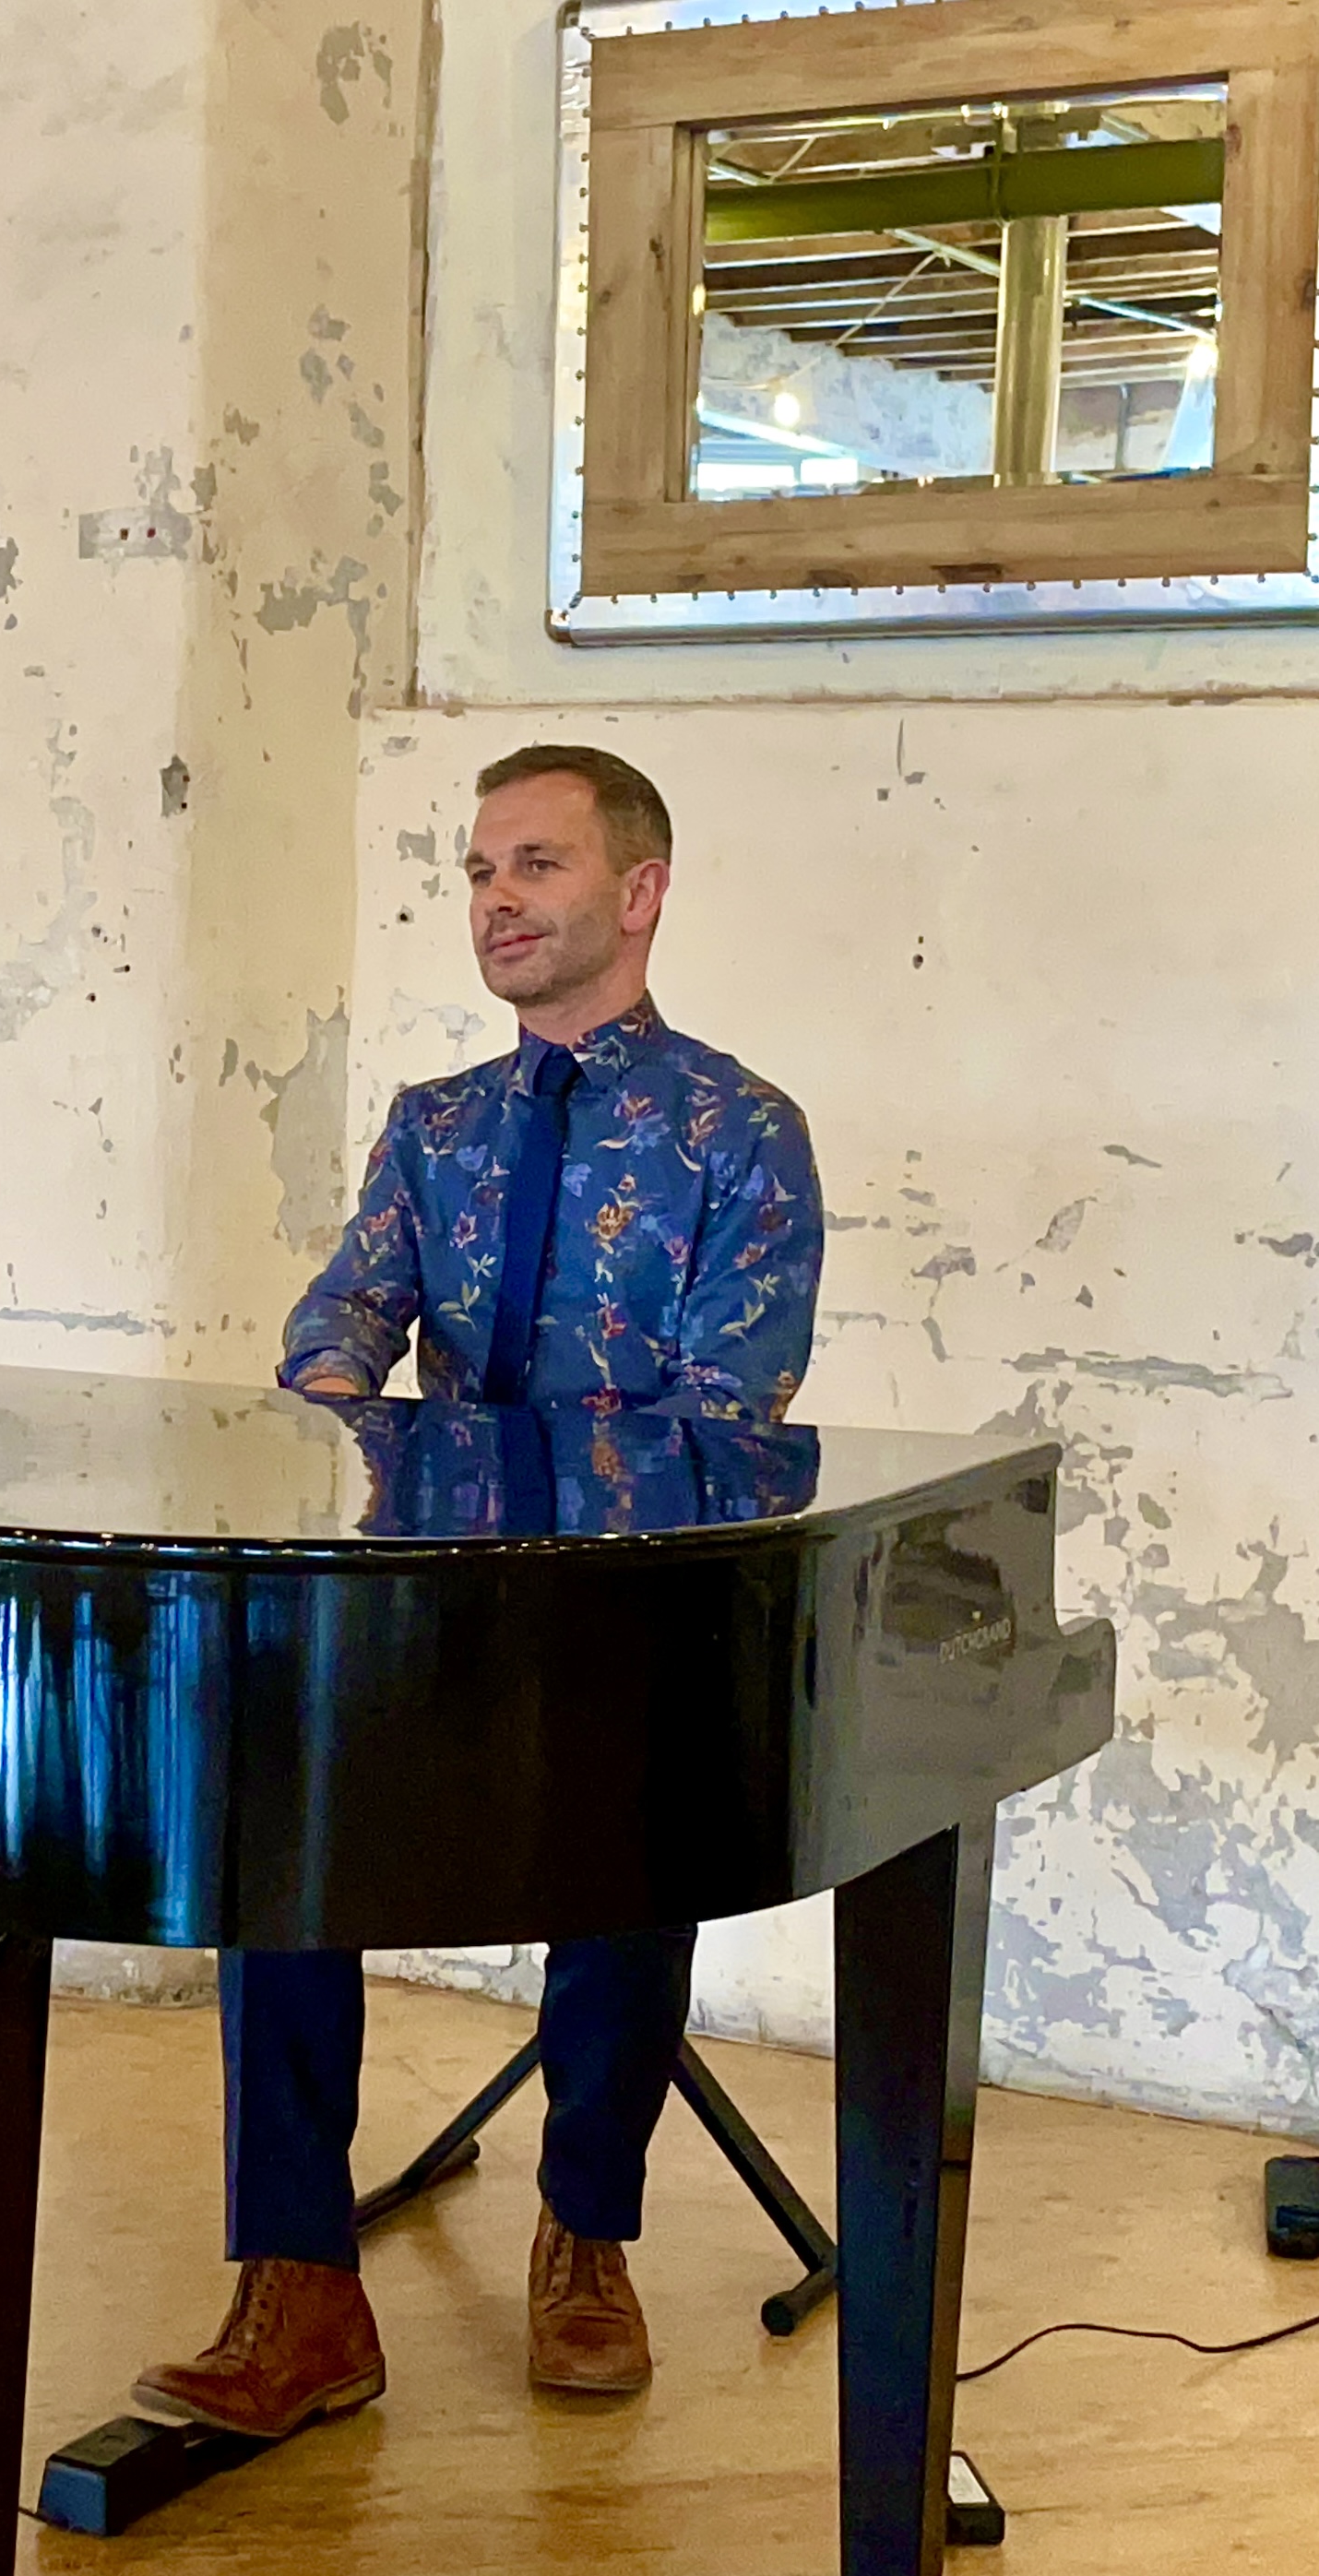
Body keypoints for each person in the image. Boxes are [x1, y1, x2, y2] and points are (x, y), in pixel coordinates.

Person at [135, 743, 824, 2436]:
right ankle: (298, 2282)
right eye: (478, 870)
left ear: (639, 892)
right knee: (273, 1832)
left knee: (638, 1830)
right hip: (423, 1609)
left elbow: (727, 1414)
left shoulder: (741, 1134)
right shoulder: (432, 1126)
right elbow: (345, 1313)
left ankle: (586, 2229)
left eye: (536, 865)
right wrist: (330, 1392)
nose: (496, 900)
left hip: (617, 1623)